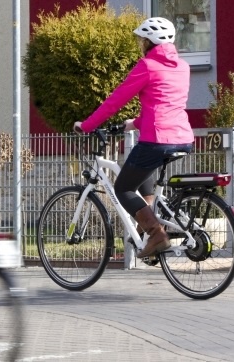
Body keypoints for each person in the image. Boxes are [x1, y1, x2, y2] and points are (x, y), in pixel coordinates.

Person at [73, 17, 194, 258]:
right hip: (183, 137)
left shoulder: (147, 65)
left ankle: (156, 233)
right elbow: (166, 104)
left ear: (149, 42)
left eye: (142, 40)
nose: (141, 44)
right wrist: (132, 124)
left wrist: (87, 125)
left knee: (124, 188)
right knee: (144, 176)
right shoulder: (183, 66)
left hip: (157, 139)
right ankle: (145, 224)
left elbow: (114, 102)